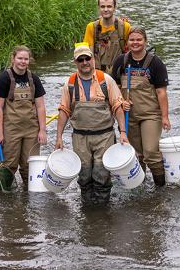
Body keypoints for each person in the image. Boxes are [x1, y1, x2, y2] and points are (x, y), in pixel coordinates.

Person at [55, 43, 129, 204]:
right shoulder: (70, 83)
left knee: (101, 173)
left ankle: (102, 209)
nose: (84, 62)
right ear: (75, 62)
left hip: (104, 136)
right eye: (80, 60)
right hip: (80, 137)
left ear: (92, 59)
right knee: (84, 174)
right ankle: (88, 207)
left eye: (87, 58)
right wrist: (58, 137)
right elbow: (64, 110)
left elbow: (117, 107)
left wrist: (123, 132)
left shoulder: (105, 80)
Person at [112, 26, 171, 187]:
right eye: (132, 40)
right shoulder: (121, 61)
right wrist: (120, 100)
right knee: (135, 155)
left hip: (150, 115)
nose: (135, 42)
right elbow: (113, 87)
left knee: (151, 152)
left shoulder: (155, 63)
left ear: (145, 41)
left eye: (139, 39)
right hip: (128, 115)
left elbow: (161, 93)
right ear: (128, 42)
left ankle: (161, 188)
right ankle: (140, 188)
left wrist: (165, 117)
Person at [0, 45, 47, 189]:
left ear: (29, 60)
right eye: (20, 58)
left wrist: (42, 130)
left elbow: (40, 106)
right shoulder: (4, 78)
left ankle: (29, 197)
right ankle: (3, 197)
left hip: (31, 129)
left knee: (31, 165)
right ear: (13, 59)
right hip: (11, 129)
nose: (23, 62)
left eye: (26, 59)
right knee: (8, 165)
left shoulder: (33, 79)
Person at [83, 0, 131, 74]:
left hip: (119, 73)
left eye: (109, 6)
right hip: (98, 73)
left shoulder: (125, 27)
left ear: (115, 8)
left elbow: (131, 52)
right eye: (102, 7)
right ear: (99, 8)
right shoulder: (91, 27)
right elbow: (89, 55)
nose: (105, 9)